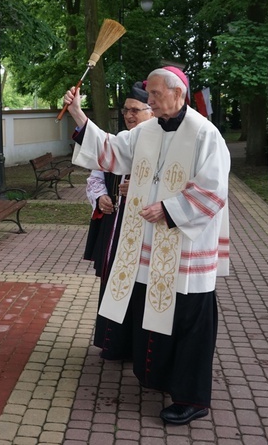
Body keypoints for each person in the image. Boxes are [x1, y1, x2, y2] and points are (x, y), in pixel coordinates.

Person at [63, 66, 230, 425]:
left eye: (154, 94)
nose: (149, 100)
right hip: (147, 244)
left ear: (178, 93)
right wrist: (78, 113)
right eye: (148, 94)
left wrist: (169, 209)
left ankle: (191, 398)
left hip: (186, 247)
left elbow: (214, 190)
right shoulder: (147, 131)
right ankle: (157, 377)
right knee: (151, 311)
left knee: (187, 323)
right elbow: (109, 151)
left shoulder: (205, 134)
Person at [83, 81, 153, 361]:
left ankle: (138, 348)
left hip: (146, 229)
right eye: (126, 110)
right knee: (114, 281)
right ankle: (112, 343)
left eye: (136, 109)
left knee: (139, 288)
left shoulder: (159, 144)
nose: (129, 115)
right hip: (116, 226)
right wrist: (100, 197)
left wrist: (140, 187)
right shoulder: (118, 141)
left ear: (152, 111)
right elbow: (95, 176)